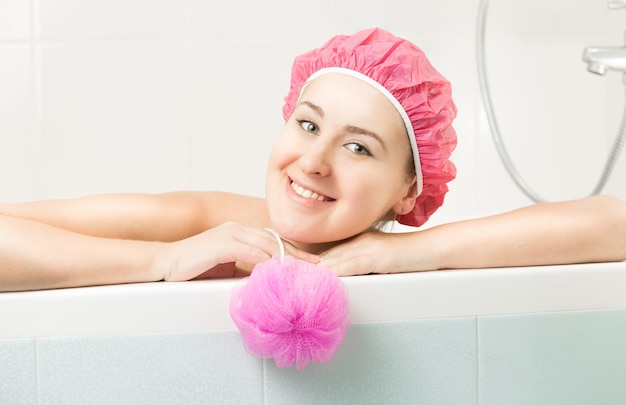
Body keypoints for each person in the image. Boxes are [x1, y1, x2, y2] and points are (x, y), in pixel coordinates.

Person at [1, 28, 625, 292]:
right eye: (308, 124)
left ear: (410, 191)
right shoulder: (217, 222)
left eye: (358, 146)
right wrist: (162, 259)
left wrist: (404, 252)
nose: (315, 161)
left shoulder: (399, 258)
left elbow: (612, 222)